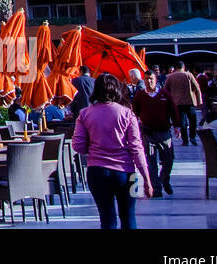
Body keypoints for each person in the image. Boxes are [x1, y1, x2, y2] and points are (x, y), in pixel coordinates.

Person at [72, 72, 152, 229]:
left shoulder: (84, 114)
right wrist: (146, 178)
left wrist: (94, 144)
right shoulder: (127, 114)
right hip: (127, 173)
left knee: (107, 218)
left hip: (97, 172)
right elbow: (136, 148)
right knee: (129, 216)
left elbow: (78, 146)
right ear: (116, 90)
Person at [132, 69, 177, 197]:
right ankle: (156, 187)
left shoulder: (164, 94)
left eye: (151, 78)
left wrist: (177, 126)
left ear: (156, 80)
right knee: (151, 162)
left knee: (168, 160)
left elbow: (173, 110)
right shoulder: (140, 95)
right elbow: (134, 112)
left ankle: (164, 178)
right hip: (148, 133)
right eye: (146, 79)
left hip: (164, 132)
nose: (149, 81)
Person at [164, 61, 203, 146]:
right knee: (193, 121)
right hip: (190, 102)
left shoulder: (170, 77)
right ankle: (193, 137)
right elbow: (197, 88)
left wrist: (167, 103)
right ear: (183, 67)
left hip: (177, 103)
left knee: (182, 123)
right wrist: (199, 101)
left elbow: (166, 90)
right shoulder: (189, 75)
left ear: (176, 67)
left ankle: (185, 140)